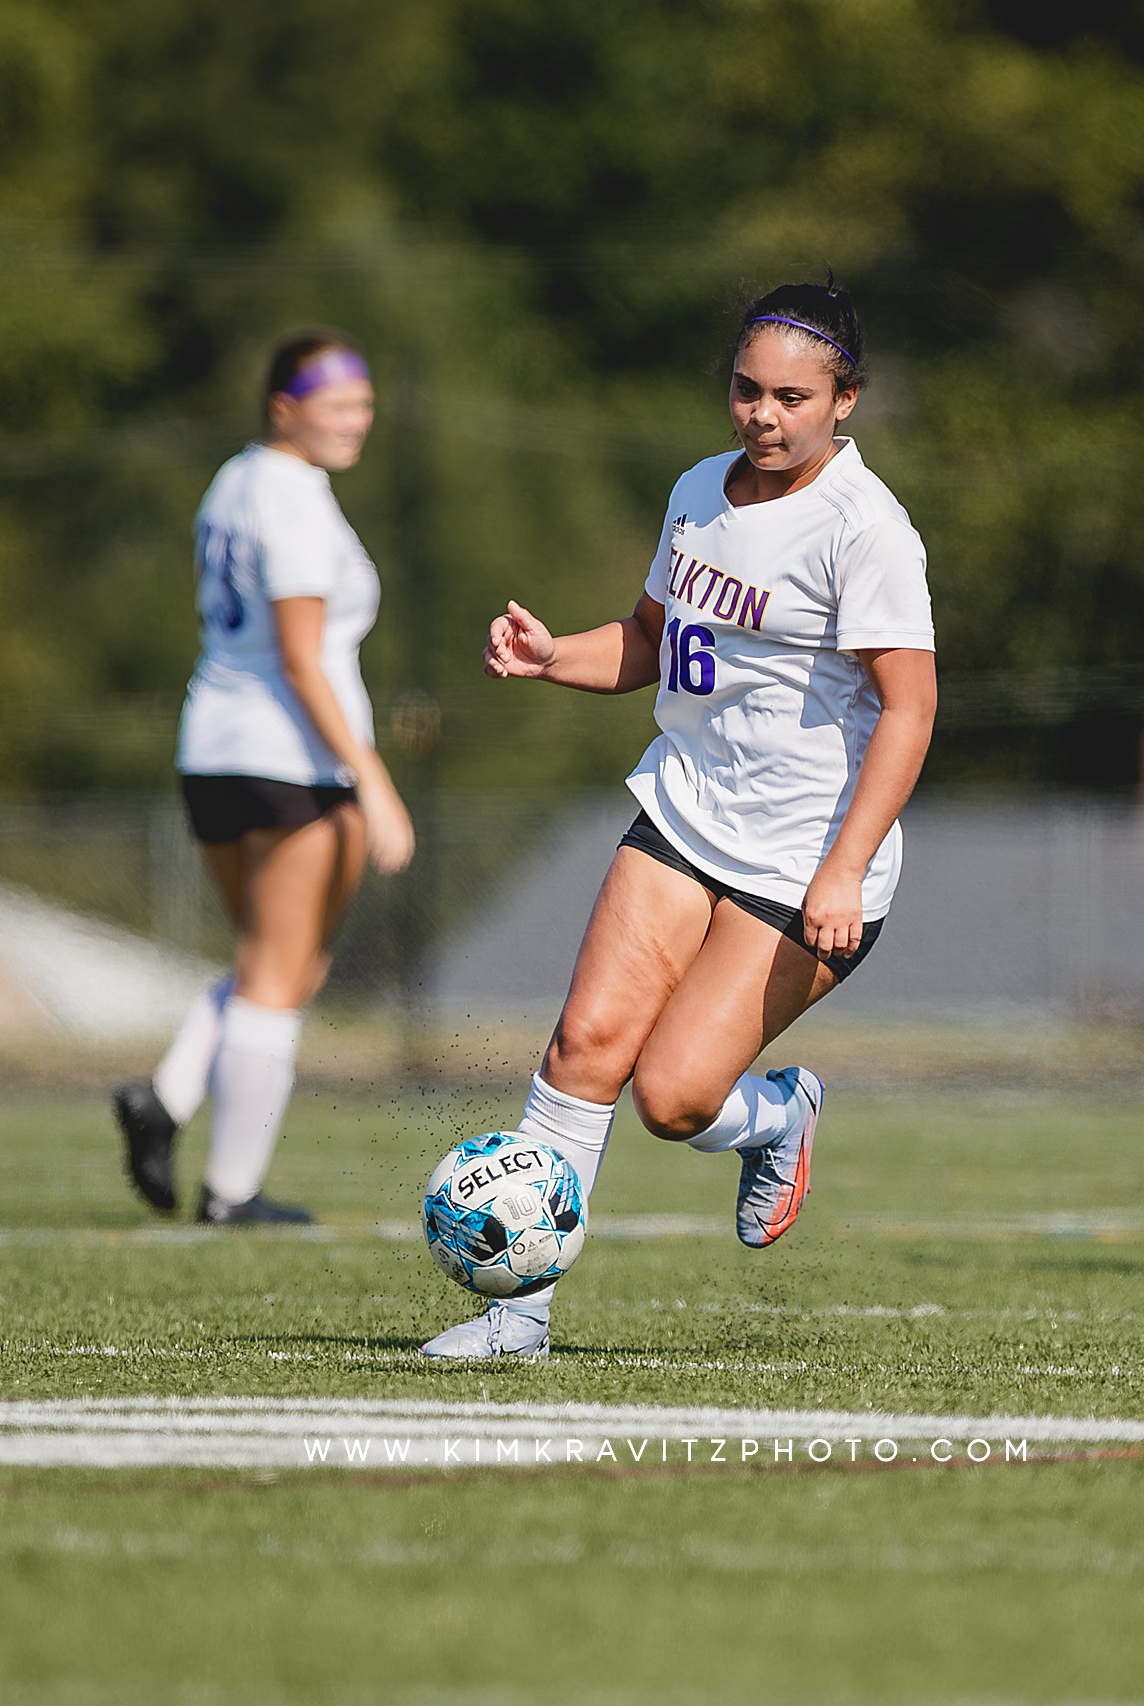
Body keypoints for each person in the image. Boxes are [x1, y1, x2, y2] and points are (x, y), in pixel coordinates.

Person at [421, 279, 937, 1360]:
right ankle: (516, 1318)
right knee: (585, 1045)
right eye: (747, 390)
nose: (762, 414)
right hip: (685, 810)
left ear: (847, 399)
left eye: (792, 396)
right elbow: (657, 642)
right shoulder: (699, 488)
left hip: (805, 861)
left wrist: (842, 870)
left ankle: (781, 1116)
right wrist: (556, 652)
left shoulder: (865, 529)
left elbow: (912, 707)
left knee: (674, 1094)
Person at [113, 330, 414, 1224]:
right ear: (284, 408)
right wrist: (374, 782)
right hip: (291, 762)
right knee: (281, 977)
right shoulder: (289, 497)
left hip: (210, 747)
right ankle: (230, 1191)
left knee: (268, 965)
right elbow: (300, 658)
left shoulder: (236, 478)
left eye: (364, 403)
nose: (356, 420)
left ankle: (165, 1099)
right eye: (337, 405)